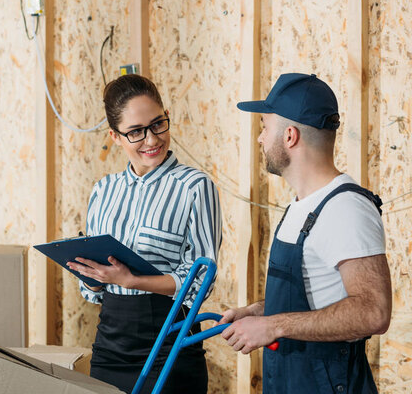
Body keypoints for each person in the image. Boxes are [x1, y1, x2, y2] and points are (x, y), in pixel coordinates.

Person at [220, 73, 392, 393]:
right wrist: (259, 311)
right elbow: (319, 294)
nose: (259, 138)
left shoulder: (345, 208)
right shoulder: (301, 205)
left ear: (289, 136)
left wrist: (273, 325)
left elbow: (374, 312)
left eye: (264, 127)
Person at [66, 74, 222, 393]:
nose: (151, 140)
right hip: (110, 342)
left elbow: (199, 283)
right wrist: (91, 274)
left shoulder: (194, 187)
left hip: (169, 340)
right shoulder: (103, 192)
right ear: (116, 136)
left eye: (157, 124)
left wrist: (132, 280)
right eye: (136, 132)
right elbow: (94, 293)